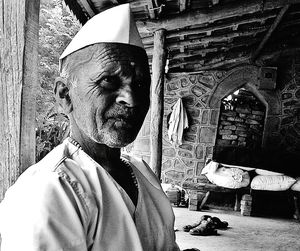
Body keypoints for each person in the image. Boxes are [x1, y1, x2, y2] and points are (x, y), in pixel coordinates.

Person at [0, 4, 198, 251]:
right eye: (109, 81)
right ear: (65, 95)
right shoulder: (48, 189)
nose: (131, 98)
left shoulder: (142, 172)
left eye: (139, 85)